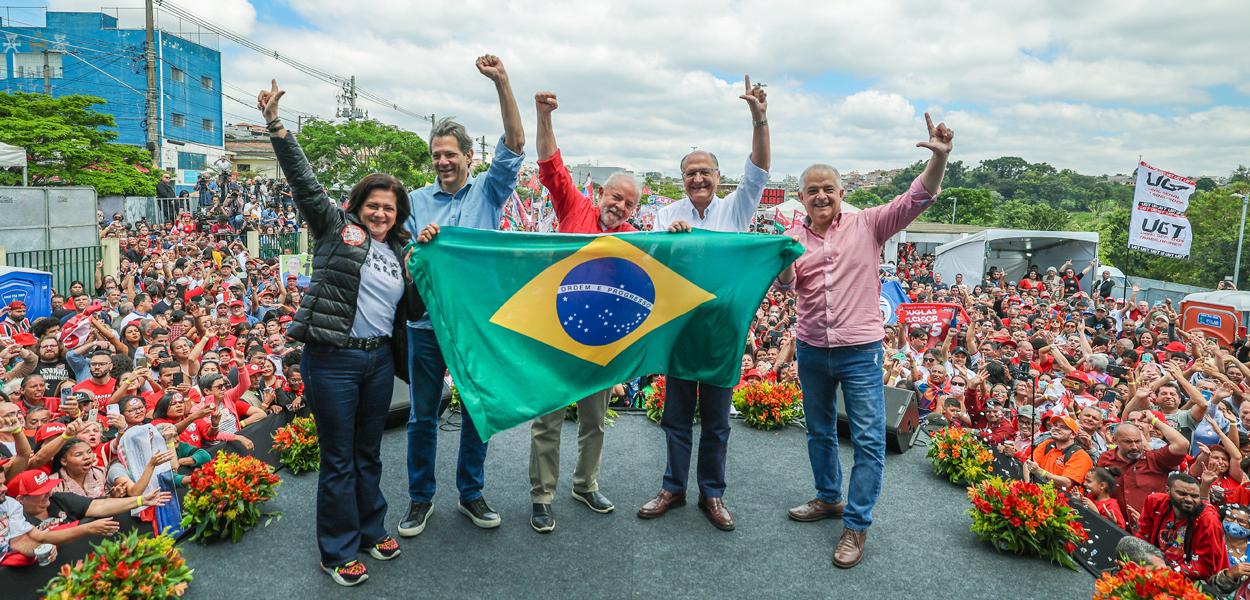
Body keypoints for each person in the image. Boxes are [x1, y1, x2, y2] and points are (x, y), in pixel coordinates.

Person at [776, 112, 953, 568]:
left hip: (860, 351)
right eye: (812, 190)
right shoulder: (791, 238)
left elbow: (920, 197)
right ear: (801, 198)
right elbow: (785, 286)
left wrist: (939, 158)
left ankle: (856, 525)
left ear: (841, 194)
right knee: (818, 431)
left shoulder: (869, 225)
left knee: (869, 440)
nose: (820, 196)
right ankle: (829, 497)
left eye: (828, 189)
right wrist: (782, 262)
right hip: (813, 347)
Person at [261, 78, 417, 586]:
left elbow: (408, 307)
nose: (380, 213)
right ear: (358, 205)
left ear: (398, 216)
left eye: (389, 208)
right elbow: (304, 182)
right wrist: (277, 127)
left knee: (369, 453)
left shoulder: (399, 253)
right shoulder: (336, 229)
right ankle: (337, 550)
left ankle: (372, 530)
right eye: (374, 204)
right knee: (339, 458)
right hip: (333, 360)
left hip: (376, 364)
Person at [399, 54, 525, 538]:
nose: (443, 162)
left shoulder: (489, 194)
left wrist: (502, 83)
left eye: (451, 154)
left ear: (469, 157)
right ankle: (419, 498)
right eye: (436, 155)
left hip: (476, 325)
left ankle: (470, 492)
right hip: (427, 327)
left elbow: (514, 144)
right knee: (420, 417)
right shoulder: (414, 201)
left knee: (476, 410)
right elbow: (404, 263)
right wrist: (417, 251)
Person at [638, 75, 770, 533]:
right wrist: (666, 245)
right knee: (675, 417)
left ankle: (712, 494)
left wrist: (759, 118)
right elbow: (648, 264)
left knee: (716, 422)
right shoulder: (664, 216)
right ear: (683, 179)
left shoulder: (737, 209)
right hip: (679, 328)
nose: (698, 178)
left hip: (722, 331)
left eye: (706, 172)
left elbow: (759, 170)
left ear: (718, 178)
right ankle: (672, 488)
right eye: (690, 172)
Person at [525, 90, 656, 533]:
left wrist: (678, 229)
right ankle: (542, 496)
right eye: (615, 197)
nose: (619, 206)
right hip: (557, 334)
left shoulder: (634, 241)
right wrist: (543, 116)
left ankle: (585, 484)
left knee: (595, 421)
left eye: (629, 203)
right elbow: (550, 163)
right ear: (601, 193)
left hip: (601, 341)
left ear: (635, 209)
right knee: (548, 419)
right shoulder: (572, 205)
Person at [1135, 472, 1229, 582]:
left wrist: (1165, 572)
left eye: (1194, 496)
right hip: (1155, 568)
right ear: (1168, 491)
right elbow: (1142, 537)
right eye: (1182, 494)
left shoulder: (1208, 520)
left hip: (1194, 582)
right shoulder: (1155, 502)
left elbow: (1204, 568)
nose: (1189, 499)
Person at [1098, 417, 1189, 517]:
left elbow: (1182, 444)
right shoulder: (1106, 458)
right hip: (1114, 526)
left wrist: (1154, 421)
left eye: (1138, 441)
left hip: (1150, 528)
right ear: (1115, 440)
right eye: (1128, 442)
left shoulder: (1156, 459)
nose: (1134, 447)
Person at [1024, 416, 1093, 490]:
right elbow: (1027, 463)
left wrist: (1040, 472)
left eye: (1063, 427)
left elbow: (1067, 483)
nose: (1056, 428)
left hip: (1064, 499)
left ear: (1073, 435)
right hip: (1039, 494)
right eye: (1055, 425)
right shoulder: (1046, 444)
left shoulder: (1081, 456)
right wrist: (1028, 486)